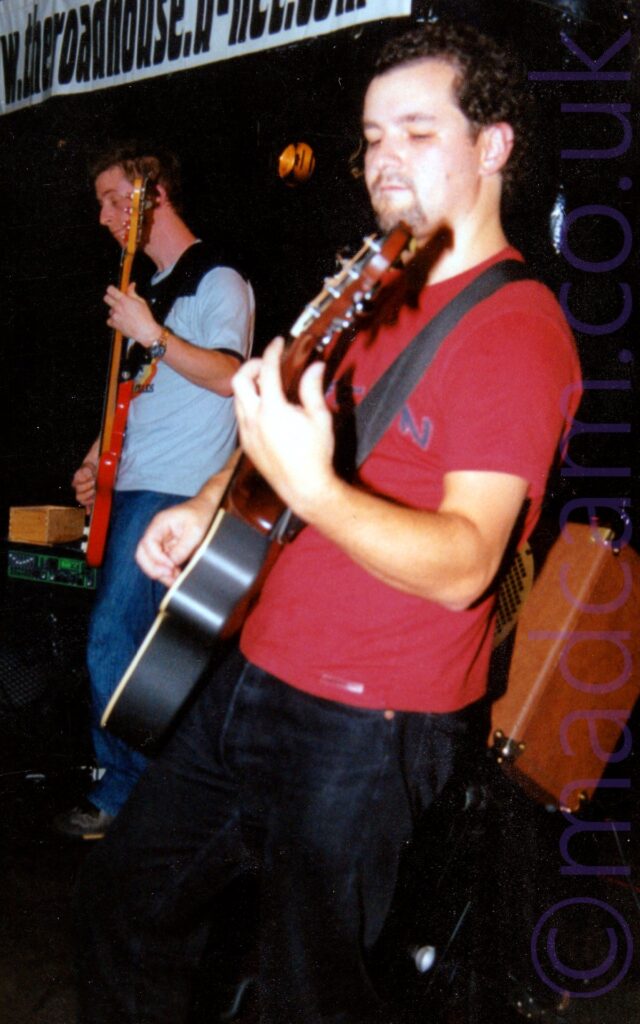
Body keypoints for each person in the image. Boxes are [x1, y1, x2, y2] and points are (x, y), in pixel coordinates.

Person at [74, 22, 582, 1022]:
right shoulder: (369, 290)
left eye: (418, 132)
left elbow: (465, 564)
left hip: (367, 721)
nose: (385, 157)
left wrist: (314, 493)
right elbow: (273, 436)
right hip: (249, 675)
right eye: (374, 135)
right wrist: (205, 504)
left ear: (493, 145)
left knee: (305, 992)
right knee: (121, 910)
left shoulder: (516, 330)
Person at [55, 145, 255, 838]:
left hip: (176, 490)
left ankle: (127, 797)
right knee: (140, 652)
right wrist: (97, 460)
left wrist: (154, 333)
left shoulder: (218, 278)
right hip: (135, 484)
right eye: (102, 204)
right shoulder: (156, 287)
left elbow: (231, 376)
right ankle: (161, 799)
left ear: (155, 195)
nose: (106, 218)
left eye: (117, 200)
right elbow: (138, 391)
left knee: (115, 641)